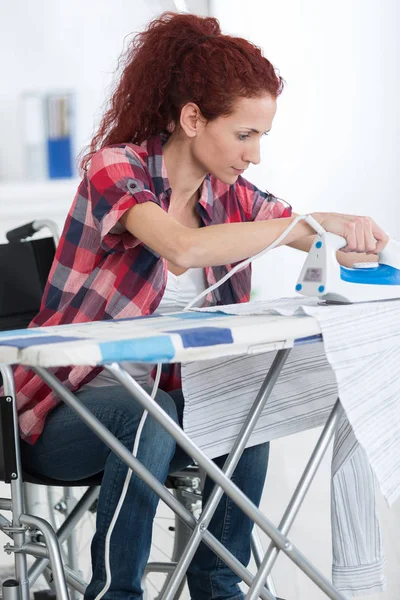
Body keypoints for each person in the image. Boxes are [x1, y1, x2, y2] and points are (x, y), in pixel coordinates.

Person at [16, 11, 388, 600]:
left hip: (166, 414)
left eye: (262, 136)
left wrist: (341, 237)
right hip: (66, 411)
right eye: (245, 135)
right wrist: (302, 225)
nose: (256, 155)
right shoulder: (117, 168)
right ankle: (117, 593)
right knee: (149, 408)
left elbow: (299, 229)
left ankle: (221, 587)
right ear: (193, 118)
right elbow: (181, 248)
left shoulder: (230, 194)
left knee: (248, 403)